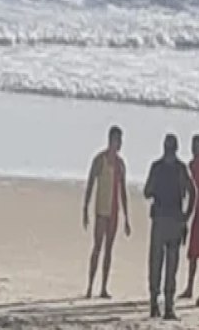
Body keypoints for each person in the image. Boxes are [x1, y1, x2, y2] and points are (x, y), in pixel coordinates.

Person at [144, 134, 195, 320]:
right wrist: (186, 217)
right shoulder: (181, 169)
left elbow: (147, 191)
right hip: (174, 220)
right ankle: (168, 307)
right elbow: (193, 192)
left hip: (160, 220)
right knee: (171, 265)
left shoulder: (156, 168)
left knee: (156, 263)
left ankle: (153, 303)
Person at [83, 125, 131, 299]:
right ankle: (89, 286)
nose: (120, 144)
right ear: (112, 140)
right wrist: (85, 207)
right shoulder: (99, 160)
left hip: (114, 211)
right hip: (101, 210)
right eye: (118, 140)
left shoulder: (120, 164)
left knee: (109, 250)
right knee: (97, 247)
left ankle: (103, 287)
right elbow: (90, 184)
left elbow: (123, 191)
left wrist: (126, 217)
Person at [179, 135, 199, 300]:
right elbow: (185, 190)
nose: (194, 148)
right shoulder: (189, 166)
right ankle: (189, 287)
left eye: (197, 146)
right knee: (193, 252)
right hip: (195, 211)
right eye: (192, 145)